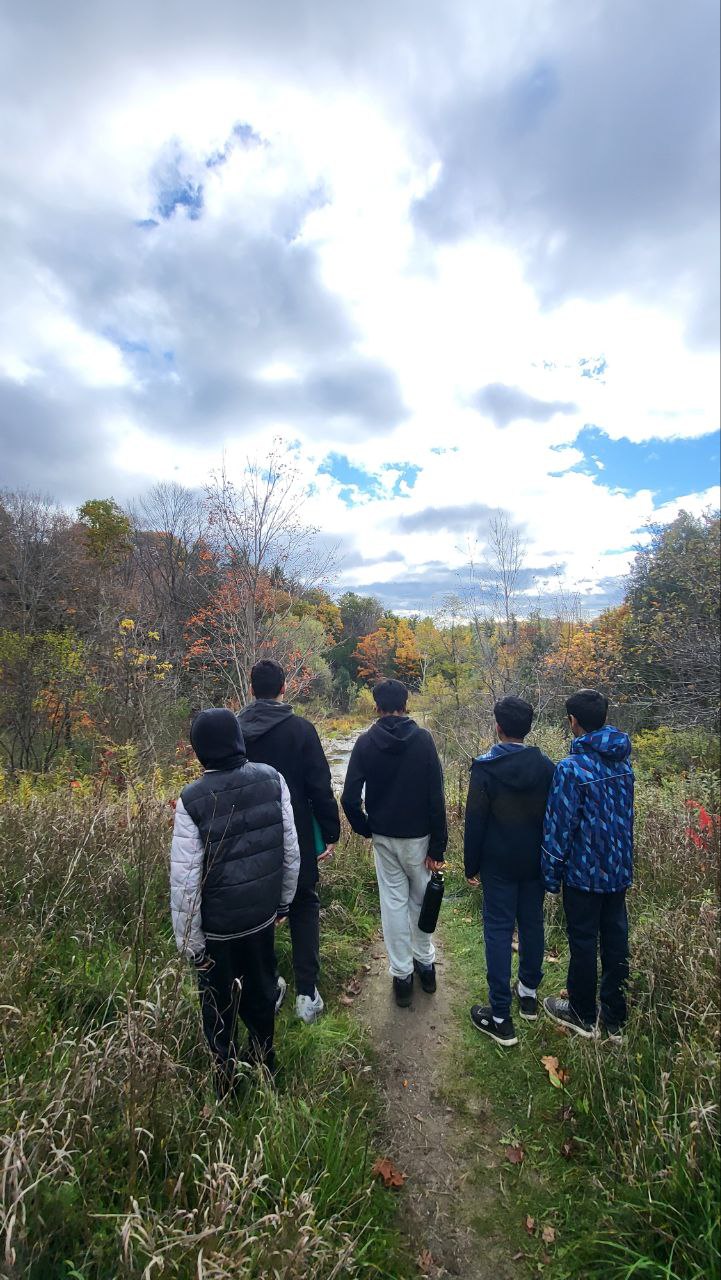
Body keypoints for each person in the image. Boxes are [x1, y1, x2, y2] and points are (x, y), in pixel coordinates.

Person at [170, 708, 300, 1091]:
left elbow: (185, 883)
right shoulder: (272, 779)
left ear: (200, 750)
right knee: (261, 993)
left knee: (218, 1005)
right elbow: (290, 852)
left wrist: (190, 944)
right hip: (261, 917)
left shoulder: (191, 799)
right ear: (238, 739)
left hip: (217, 930)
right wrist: (284, 903)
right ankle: (265, 1066)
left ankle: (226, 1080)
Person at [238, 659, 340, 1024]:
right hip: (294, 832)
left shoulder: (235, 731)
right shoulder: (301, 730)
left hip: (246, 840)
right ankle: (306, 994)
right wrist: (330, 831)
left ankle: (268, 987)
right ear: (283, 689)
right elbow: (319, 786)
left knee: (257, 914)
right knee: (304, 905)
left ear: (252, 689)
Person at [341, 678, 448, 1007]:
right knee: (421, 901)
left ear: (376, 706)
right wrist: (437, 848)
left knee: (394, 904)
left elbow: (348, 798)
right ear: (407, 703)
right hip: (419, 837)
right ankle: (425, 966)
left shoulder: (365, 742)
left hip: (384, 836)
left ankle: (402, 977)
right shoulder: (424, 741)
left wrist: (366, 828)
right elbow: (436, 798)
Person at [542, 689, 634, 1039]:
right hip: (618, 869)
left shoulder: (570, 768)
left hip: (583, 873)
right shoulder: (623, 760)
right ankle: (615, 1019)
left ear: (572, 722)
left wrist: (550, 875)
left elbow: (559, 826)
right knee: (615, 939)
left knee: (583, 940)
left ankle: (582, 1013)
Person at [464, 696, 555, 1046]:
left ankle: (500, 1015)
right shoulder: (547, 767)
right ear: (528, 728)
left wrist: (471, 865)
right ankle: (529, 994)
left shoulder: (485, 768)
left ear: (498, 727)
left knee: (499, 931)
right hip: (534, 862)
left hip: (497, 864)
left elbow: (476, 822)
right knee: (532, 924)